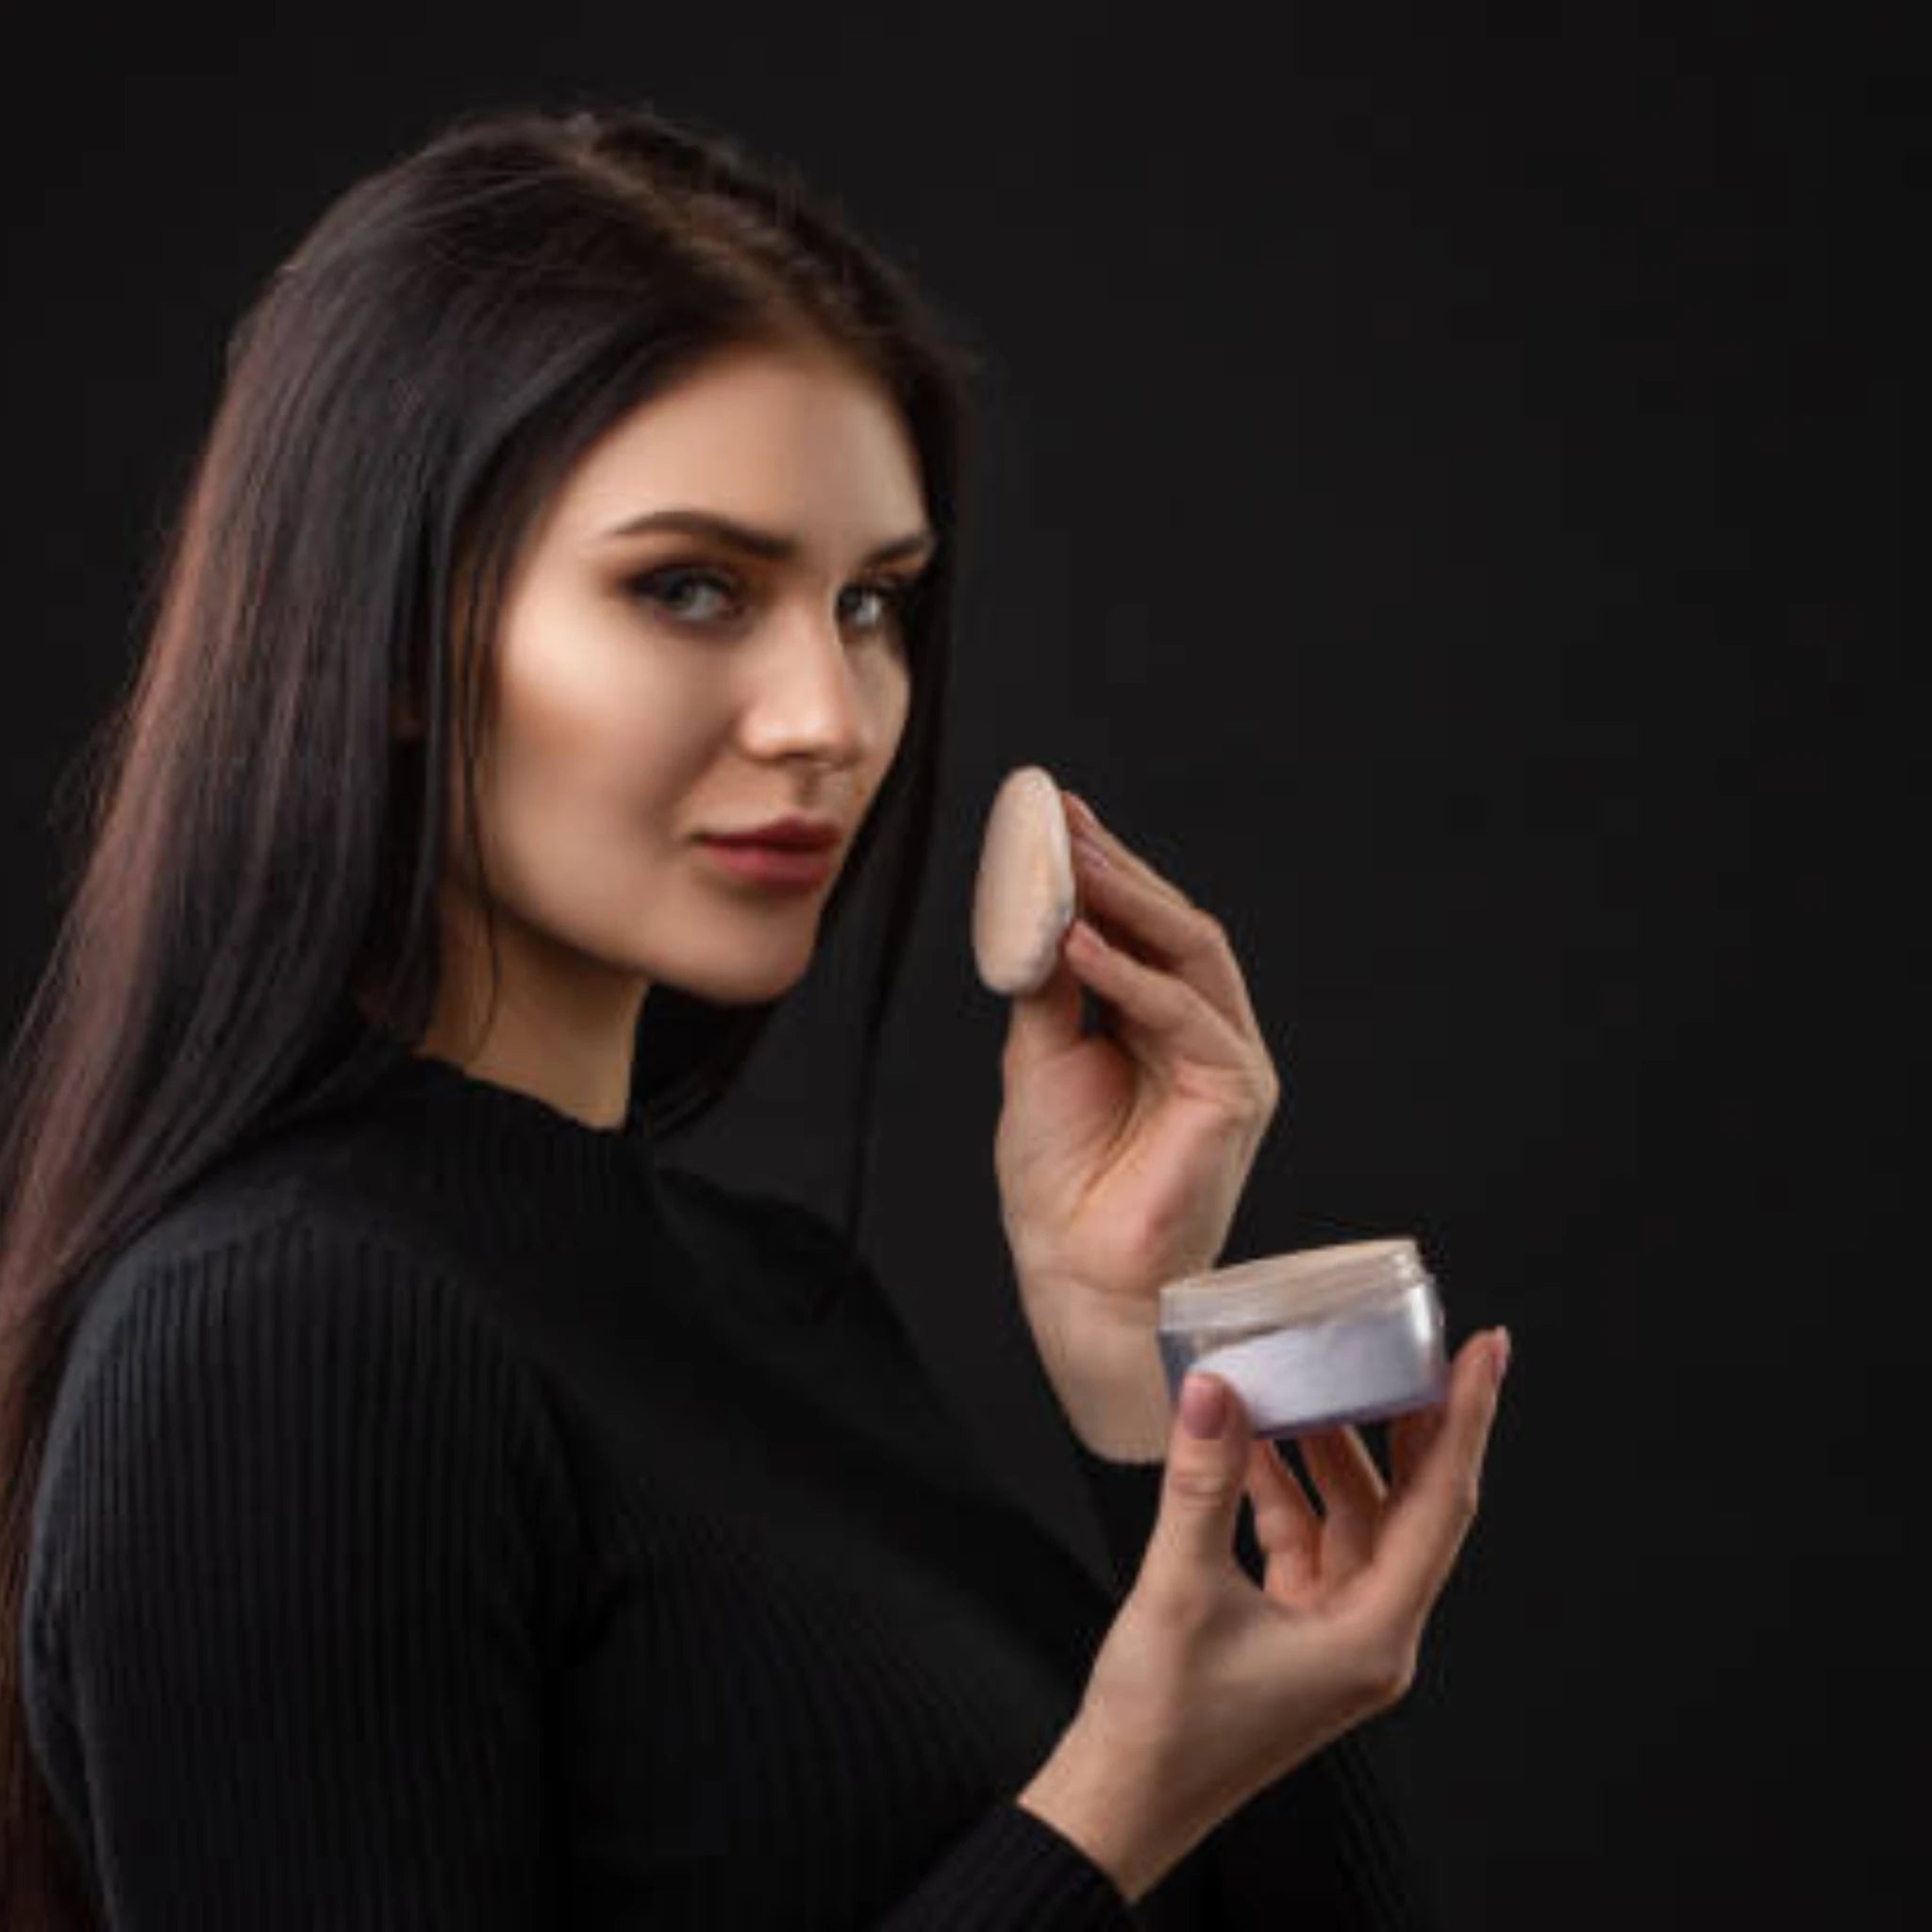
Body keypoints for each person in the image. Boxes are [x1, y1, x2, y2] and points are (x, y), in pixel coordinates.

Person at [0, 102, 1508, 1929]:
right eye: (690, 588)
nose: (831, 715)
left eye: (872, 601)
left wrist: (1133, 1371)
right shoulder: (280, 1344)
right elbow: (1099, 1841)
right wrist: (1109, 1800)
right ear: (389, 642)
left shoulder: (775, 1301)